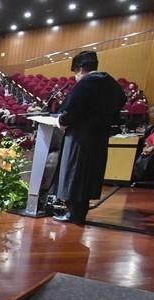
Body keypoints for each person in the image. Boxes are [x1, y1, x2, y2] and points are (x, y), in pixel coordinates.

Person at [53, 51, 127, 224]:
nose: (75, 76)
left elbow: (71, 110)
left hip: (80, 137)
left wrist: (61, 121)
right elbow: (118, 106)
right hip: (99, 138)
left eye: (75, 72)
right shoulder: (111, 84)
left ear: (80, 68)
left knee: (75, 173)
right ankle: (80, 213)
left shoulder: (86, 84)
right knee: (89, 175)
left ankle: (73, 214)